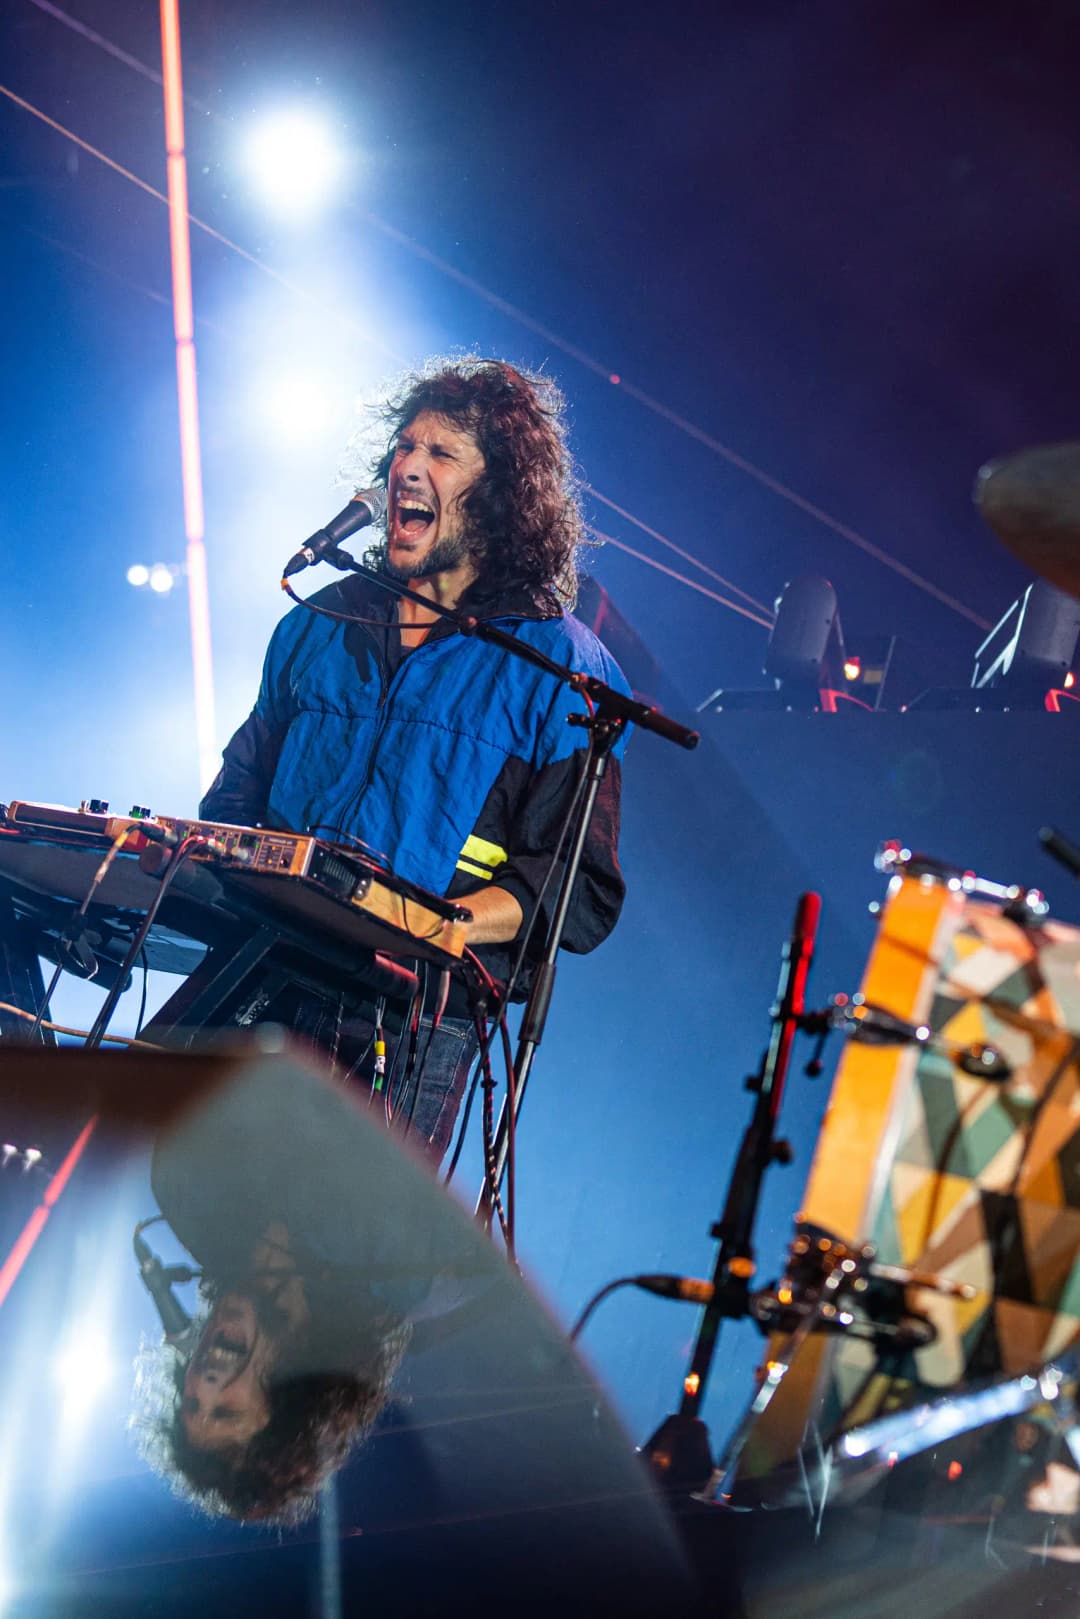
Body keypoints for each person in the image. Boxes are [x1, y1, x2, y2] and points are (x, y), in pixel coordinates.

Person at [199, 358, 630, 1161]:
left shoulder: (558, 669)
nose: (408, 466)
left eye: (441, 453)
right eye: (403, 447)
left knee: (339, 1260)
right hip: (268, 972)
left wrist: (442, 924)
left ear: (498, 496)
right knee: (196, 1202)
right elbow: (230, 804)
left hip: (415, 1018)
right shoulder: (314, 625)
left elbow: (577, 887)